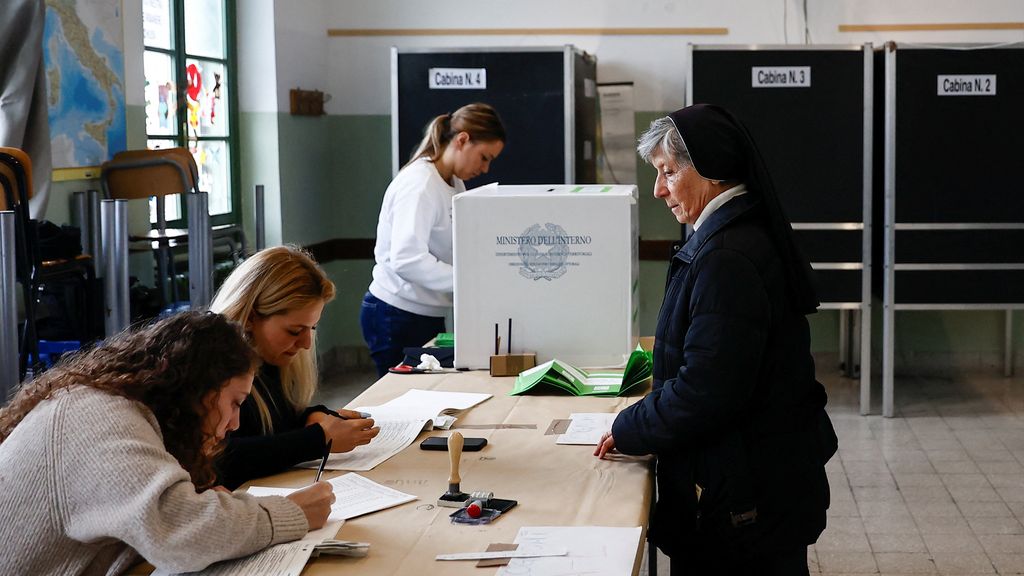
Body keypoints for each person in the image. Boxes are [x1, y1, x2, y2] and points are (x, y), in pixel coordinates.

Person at [594, 104, 837, 575]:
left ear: (710, 170)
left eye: (667, 172)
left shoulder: (727, 256)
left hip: (744, 500)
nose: (658, 189)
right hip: (754, 481)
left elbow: (707, 389)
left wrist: (630, 427)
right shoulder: (730, 236)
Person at [0, 312, 335, 575]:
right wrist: (292, 513)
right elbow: (180, 536)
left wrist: (198, 503)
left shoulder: (121, 408)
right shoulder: (100, 417)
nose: (234, 423)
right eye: (235, 402)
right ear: (200, 387)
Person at [210, 245, 380, 490]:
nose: (306, 343)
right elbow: (221, 456)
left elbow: (272, 425)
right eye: (294, 331)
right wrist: (318, 438)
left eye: (312, 328)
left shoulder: (272, 357)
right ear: (249, 318)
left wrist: (308, 418)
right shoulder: (213, 368)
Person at [361, 102, 506, 376]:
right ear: (462, 140)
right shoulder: (420, 184)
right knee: (404, 405)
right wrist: (470, 281)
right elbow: (407, 259)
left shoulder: (452, 183)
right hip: (396, 314)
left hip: (425, 313)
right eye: (484, 157)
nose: (485, 168)